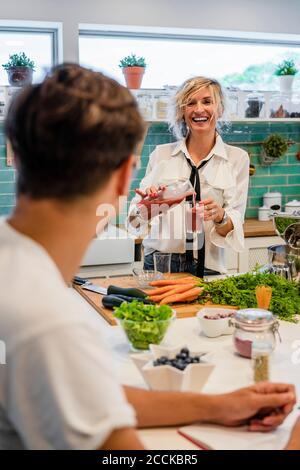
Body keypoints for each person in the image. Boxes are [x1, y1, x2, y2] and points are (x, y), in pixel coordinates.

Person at [0, 64, 296, 450]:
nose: (199, 108)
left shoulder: (26, 285)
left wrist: (218, 406)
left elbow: (97, 396)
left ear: (16, 155)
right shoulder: (55, 324)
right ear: (127, 174)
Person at [128, 76, 250, 277]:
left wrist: (220, 216)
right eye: (190, 103)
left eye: (207, 101)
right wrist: (146, 209)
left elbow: (233, 225)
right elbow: (132, 222)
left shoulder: (237, 159)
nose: (199, 109)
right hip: (161, 263)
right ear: (181, 112)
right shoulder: (161, 155)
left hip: (209, 266)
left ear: (220, 110)